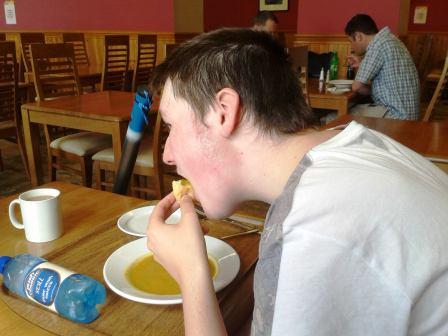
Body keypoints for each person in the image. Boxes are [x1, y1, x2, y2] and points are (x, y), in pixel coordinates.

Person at [147, 28, 448, 336]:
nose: (168, 155)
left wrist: (191, 273)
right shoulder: (358, 142)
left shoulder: (314, 227)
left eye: (171, 127)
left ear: (222, 111)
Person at [345, 14, 420, 120]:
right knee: (354, 108)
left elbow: (356, 86)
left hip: (396, 116)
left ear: (358, 36)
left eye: (350, 41)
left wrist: (361, 70)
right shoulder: (391, 40)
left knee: (341, 114)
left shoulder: (377, 46)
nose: (352, 46)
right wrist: (362, 63)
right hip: (408, 114)